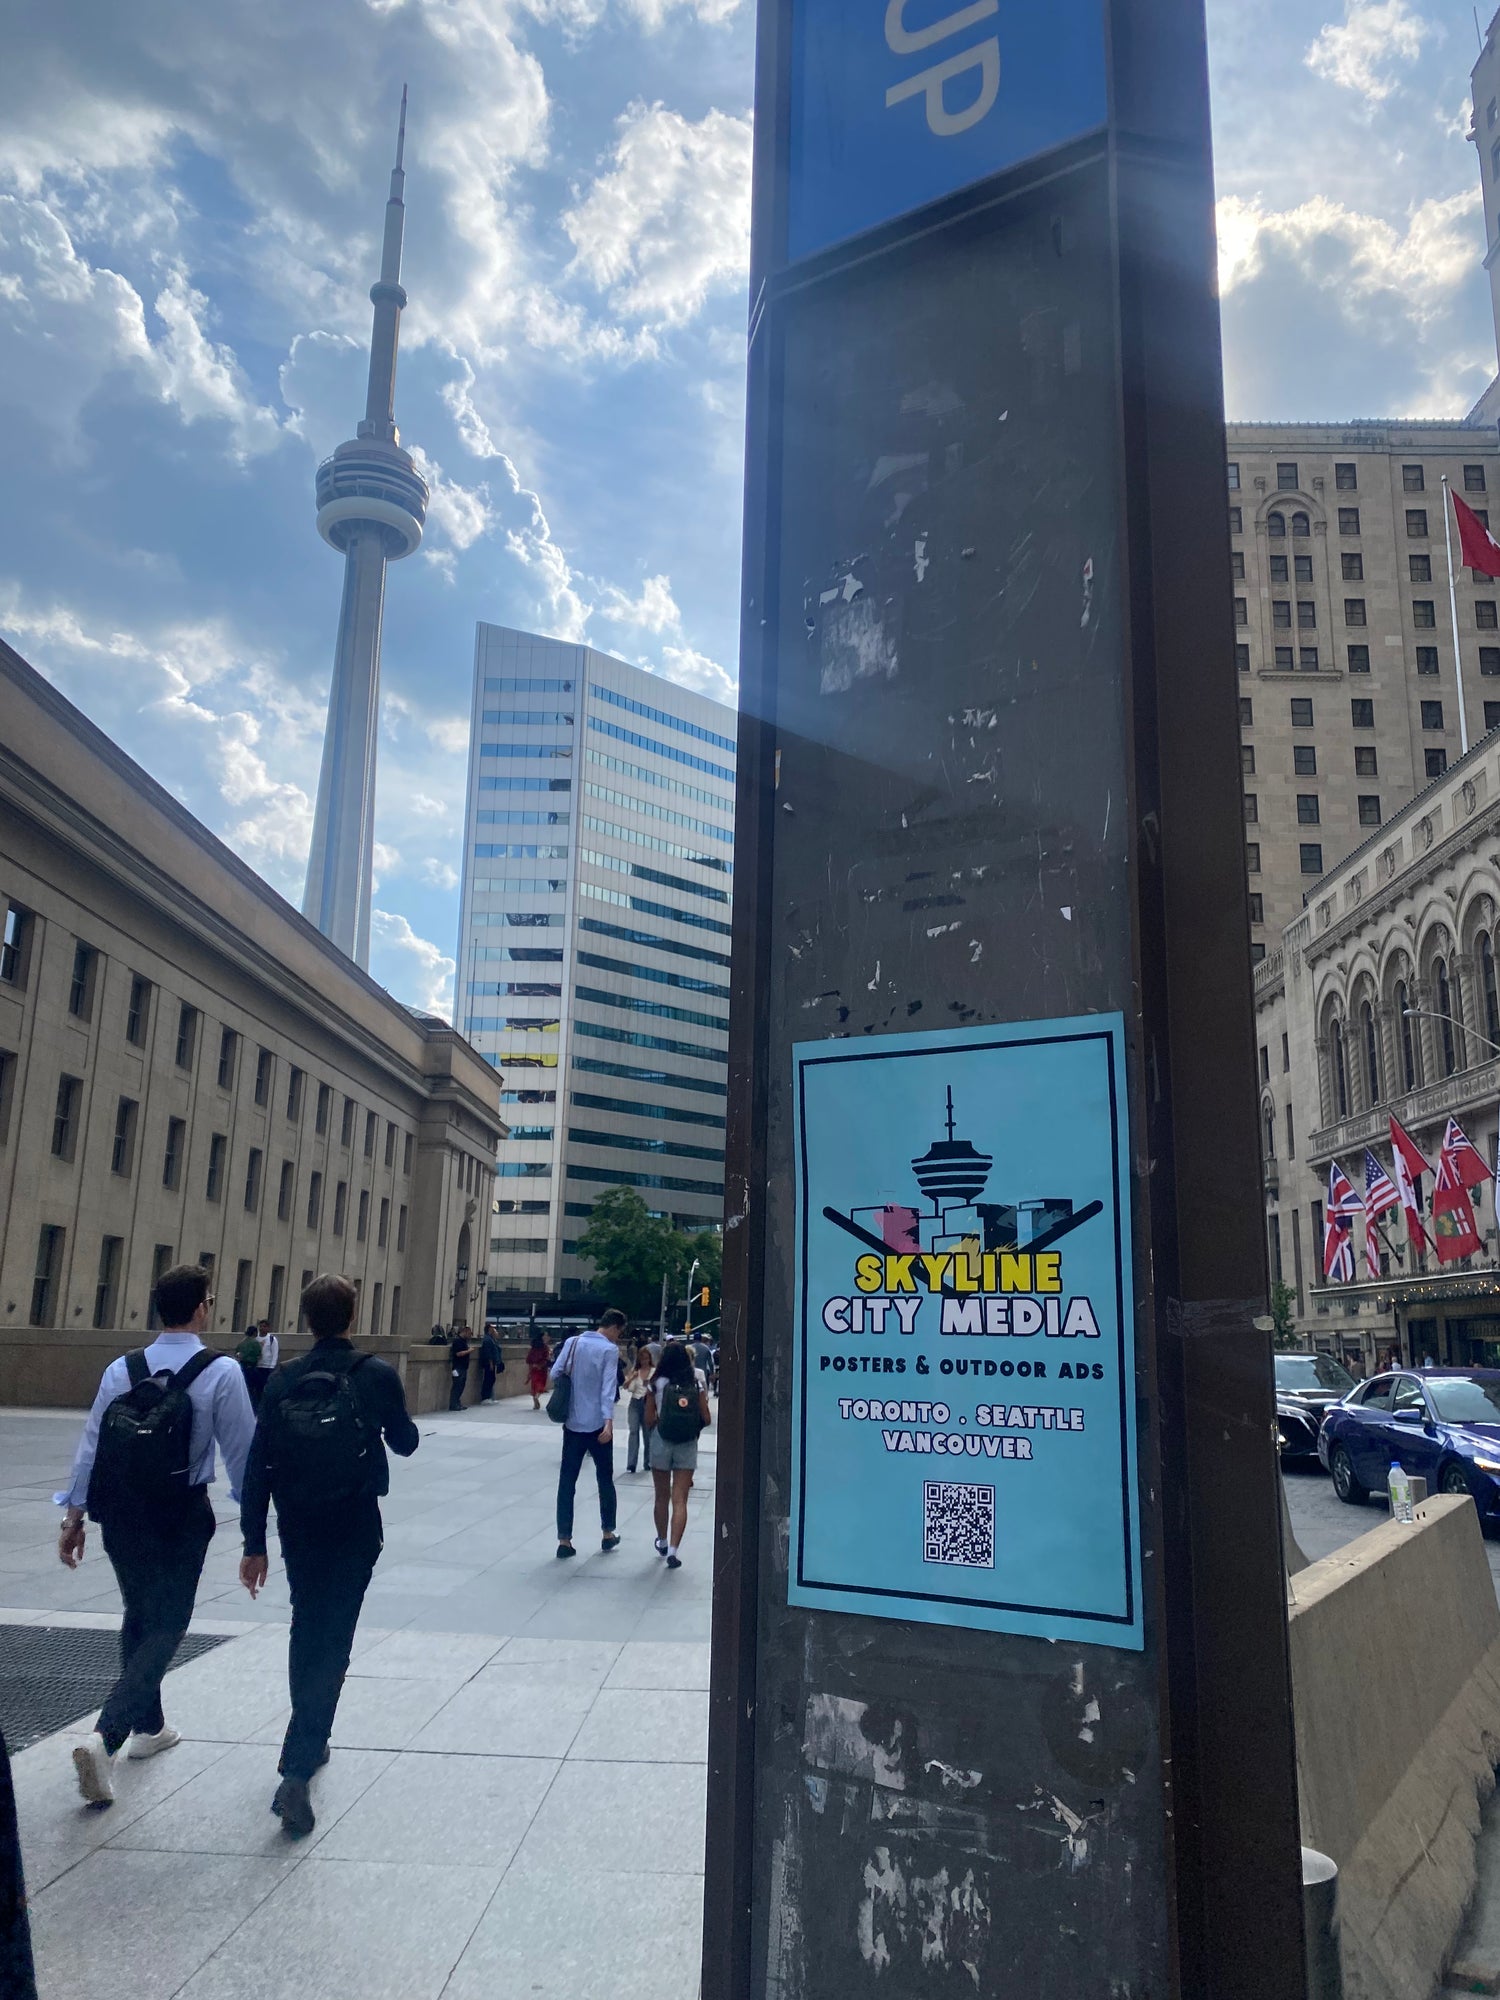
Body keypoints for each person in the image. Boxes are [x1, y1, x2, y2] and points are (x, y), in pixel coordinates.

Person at [56, 1263, 254, 1806]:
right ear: (201, 1308)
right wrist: (255, 1526)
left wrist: (74, 1517)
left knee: (139, 1613)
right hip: (179, 1510)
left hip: (120, 1511)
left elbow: (92, 1444)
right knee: (169, 1621)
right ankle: (107, 1737)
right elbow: (242, 1455)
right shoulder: (221, 1371)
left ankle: (151, 1727)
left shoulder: (123, 1368)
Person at [239, 1273, 419, 1839]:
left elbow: (257, 1466)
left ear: (305, 1317)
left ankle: (306, 1743)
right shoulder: (373, 1373)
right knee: (334, 1635)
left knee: (306, 1622)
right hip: (354, 1522)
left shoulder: (283, 1378)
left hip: (297, 1522)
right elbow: (407, 1441)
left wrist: (253, 1542)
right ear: (352, 1315)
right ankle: (297, 1763)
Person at [552, 1308, 625, 1558]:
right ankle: (607, 1532)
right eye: (619, 1333)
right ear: (614, 1328)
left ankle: (564, 1539)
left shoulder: (572, 1343)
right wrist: (608, 1421)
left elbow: (555, 1372)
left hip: (572, 1423)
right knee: (605, 1479)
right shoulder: (609, 1350)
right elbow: (608, 1388)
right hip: (597, 1424)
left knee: (567, 1481)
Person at [646, 1338, 711, 1570]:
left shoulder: (656, 1382)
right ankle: (673, 1549)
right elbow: (707, 1417)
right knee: (680, 1498)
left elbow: (648, 1418)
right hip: (687, 1443)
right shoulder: (695, 1382)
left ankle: (661, 1540)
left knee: (661, 1496)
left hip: (661, 1441)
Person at [625, 1345, 653, 1474]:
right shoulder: (634, 1371)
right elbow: (625, 1386)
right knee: (633, 1431)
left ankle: (648, 1461)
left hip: (648, 1403)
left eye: (646, 1359)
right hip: (635, 1402)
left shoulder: (654, 1371)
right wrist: (632, 1377)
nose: (644, 1362)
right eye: (642, 1359)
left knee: (647, 1434)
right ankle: (631, 1463)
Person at [448, 1325, 473, 1410]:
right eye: (469, 1333)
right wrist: (469, 1351)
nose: (470, 1336)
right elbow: (458, 1354)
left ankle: (457, 1403)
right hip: (458, 1367)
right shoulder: (457, 1341)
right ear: (465, 1332)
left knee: (461, 1386)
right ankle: (453, 1404)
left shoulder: (464, 1341)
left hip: (463, 1367)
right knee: (457, 1386)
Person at [478, 1322, 504, 1403]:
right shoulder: (487, 1339)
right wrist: (491, 1363)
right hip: (489, 1363)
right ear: (489, 1329)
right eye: (493, 1328)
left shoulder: (491, 1339)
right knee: (488, 1379)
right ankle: (485, 1397)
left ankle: (489, 1396)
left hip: (493, 1362)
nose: (494, 1329)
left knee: (491, 1379)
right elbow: (488, 1352)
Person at [526, 1330, 551, 1411]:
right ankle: (537, 1396)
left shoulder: (533, 1347)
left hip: (533, 1368)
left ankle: (535, 1403)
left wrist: (529, 1371)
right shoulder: (545, 1348)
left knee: (534, 1385)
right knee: (541, 1384)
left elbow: (529, 1360)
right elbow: (546, 1358)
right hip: (542, 1368)